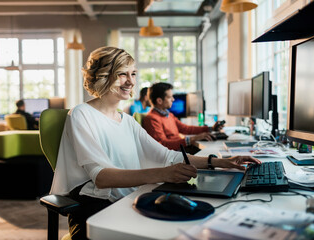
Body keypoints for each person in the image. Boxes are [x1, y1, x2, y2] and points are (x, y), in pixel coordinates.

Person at [50, 46, 260, 240]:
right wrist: (163, 173)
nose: (131, 82)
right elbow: (102, 177)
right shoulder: (81, 114)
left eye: (133, 74)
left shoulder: (126, 120)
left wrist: (220, 162)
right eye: (122, 74)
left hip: (125, 200)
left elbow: (167, 156)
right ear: (103, 76)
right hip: (96, 207)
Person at [142, 82, 223, 154]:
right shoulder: (152, 119)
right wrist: (191, 139)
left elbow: (186, 129)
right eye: (170, 97)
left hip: (181, 150)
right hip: (174, 154)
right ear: (159, 101)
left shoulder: (169, 115)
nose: (173, 99)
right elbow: (163, 144)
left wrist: (210, 129)